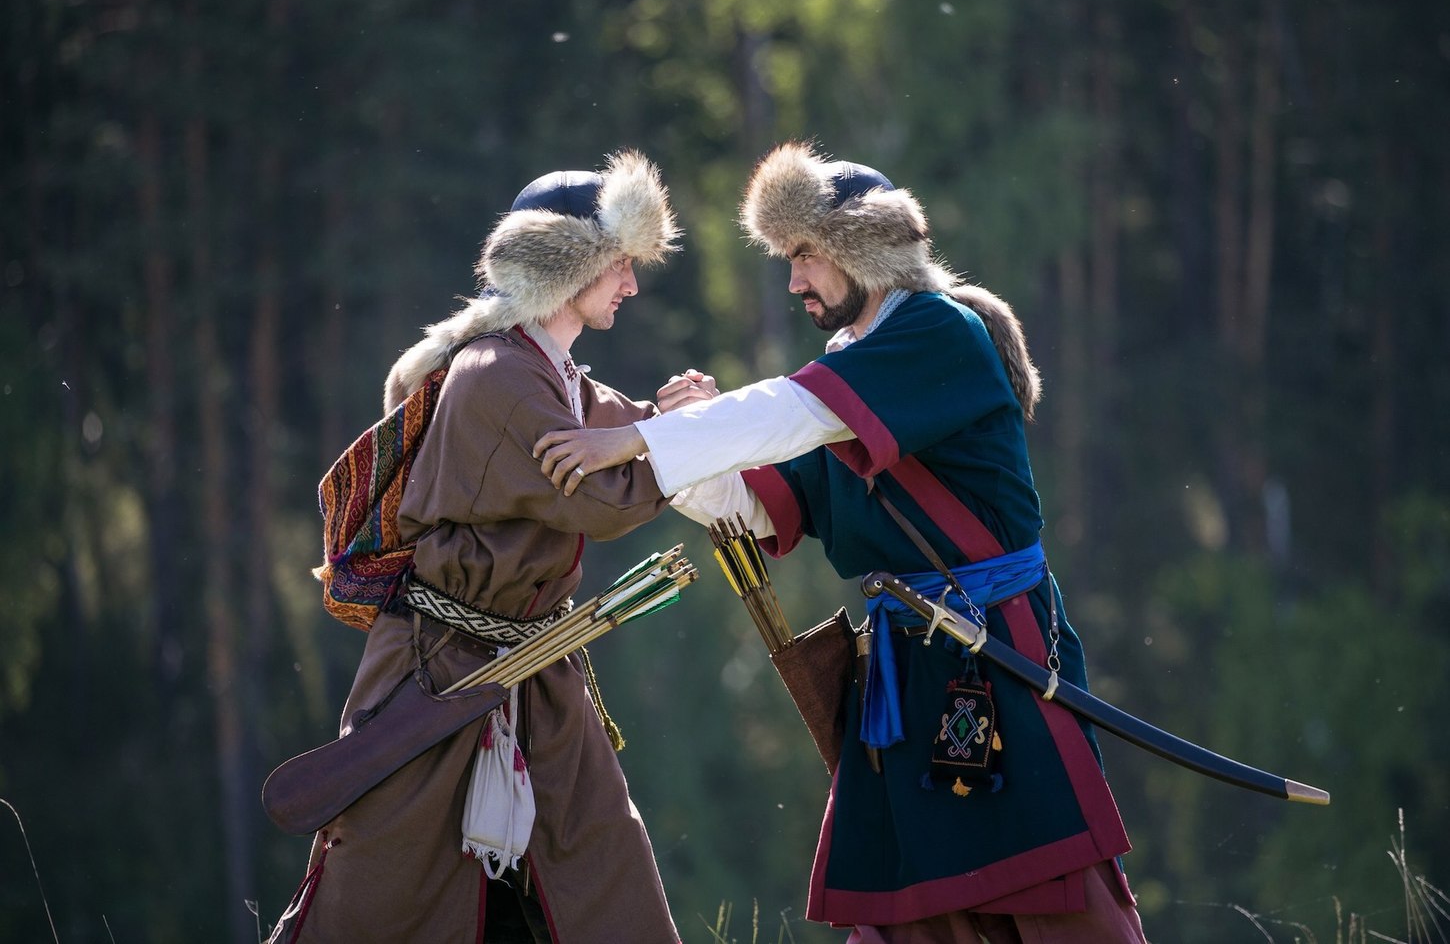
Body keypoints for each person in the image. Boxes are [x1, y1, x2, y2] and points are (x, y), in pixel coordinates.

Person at [535, 142, 1149, 943]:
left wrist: (644, 442)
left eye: (805, 255)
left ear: (866, 250)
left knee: (1055, 902)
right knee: (908, 914)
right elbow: (757, 504)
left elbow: (795, 412)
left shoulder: (939, 330)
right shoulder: (851, 370)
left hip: (995, 655)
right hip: (906, 675)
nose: (793, 281)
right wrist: (662, 432)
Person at [269, 150, 685, 943]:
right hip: (440, 669)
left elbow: (614, 427)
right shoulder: (496, 374)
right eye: (620, 265)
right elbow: (598, 493)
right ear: (573, 265)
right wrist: (684, 440)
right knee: (383, 897)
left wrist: (670, 417)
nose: (630, 284)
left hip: (539, 665)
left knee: (603, 873)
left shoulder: (555, 372)